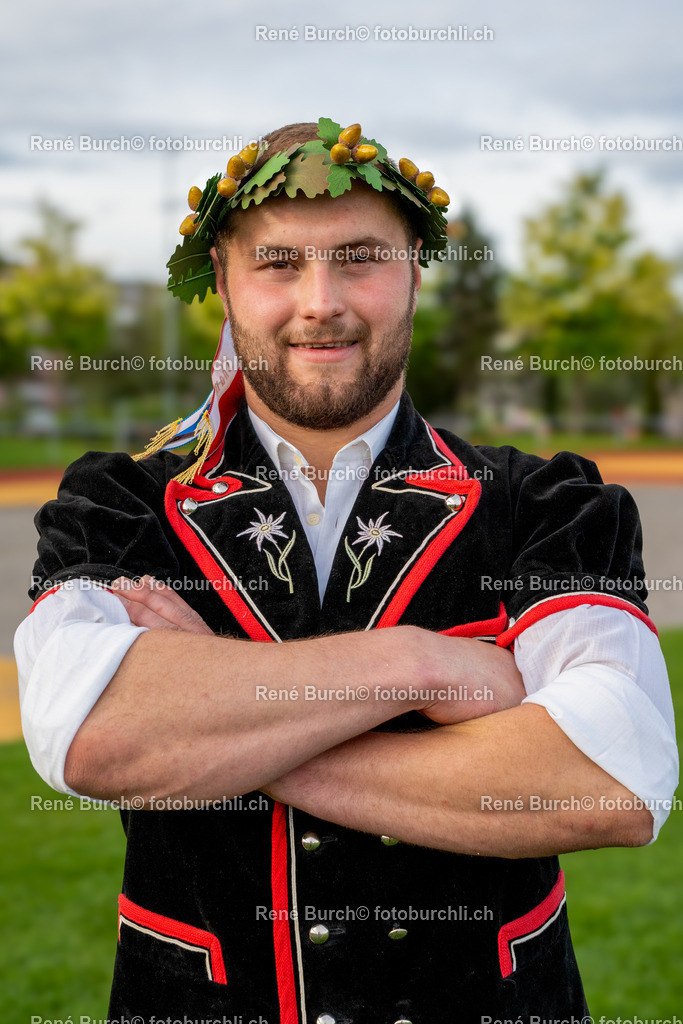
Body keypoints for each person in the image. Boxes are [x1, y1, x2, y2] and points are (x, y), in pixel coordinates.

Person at [15, 118, 678, 1023]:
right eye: (277, 262)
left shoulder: (547, 504)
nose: (319, 300)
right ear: (223, 283)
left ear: (415, 271)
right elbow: (89, 736)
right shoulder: (121, 504)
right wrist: (424, 665)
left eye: (360, 257)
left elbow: (614, 778)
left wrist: (213, 733)